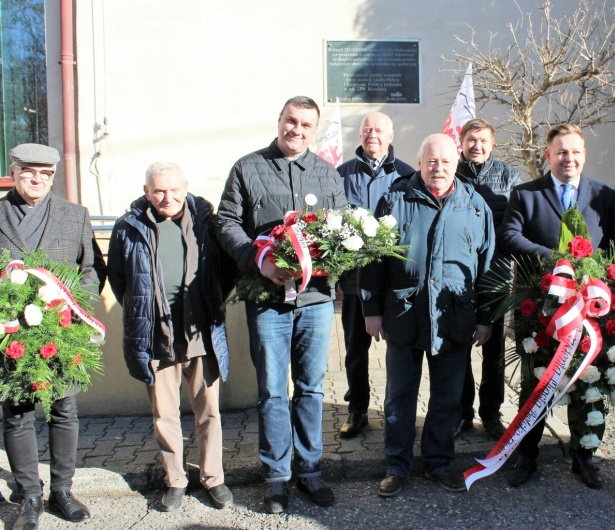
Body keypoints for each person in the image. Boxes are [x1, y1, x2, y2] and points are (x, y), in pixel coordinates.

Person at [216, 96, 347, 514]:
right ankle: (276, 477)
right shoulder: (247, 168)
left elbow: (341, 229)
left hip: (315, 300)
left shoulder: (327, 174)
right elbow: (226, 222)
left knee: (310, 388)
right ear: (279, 121)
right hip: (267, 299)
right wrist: (260, 259)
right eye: (292, 121)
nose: (297, 130)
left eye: (307, 125)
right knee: (273, 391)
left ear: (314, 129)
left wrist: (331, 263)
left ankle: (309, 471)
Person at [360, 133, 495, 498]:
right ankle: (397, 465)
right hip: (404, 316)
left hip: (454, 317)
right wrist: (371, 310)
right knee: (399, 397)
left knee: (447, 398)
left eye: (446, 162)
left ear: (457, 164)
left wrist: (485, 317)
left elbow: (488, 267)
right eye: (431, 161)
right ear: (419, 163)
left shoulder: (475, 206)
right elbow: (372, 260)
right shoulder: (394, 199)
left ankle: (438, 463)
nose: (438, 168)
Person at [498, 123, 615, 489]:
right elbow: (509, 236)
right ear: (548, 155)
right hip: (539, 311)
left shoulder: (603, 195)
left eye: (575, 151)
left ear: (584, 155)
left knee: (588, 378)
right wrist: (556, 260)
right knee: (536, 383)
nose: (568, 158)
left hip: (589, 312)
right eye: (560, 151)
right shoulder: (525, 194)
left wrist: (594, 272)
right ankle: (527, 456)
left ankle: (584, 455)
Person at [107, 162, 234, 512]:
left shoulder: (206, 223)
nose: (167, 197)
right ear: (147, 192)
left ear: (185, 187)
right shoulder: (127, 227)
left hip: (201, 335)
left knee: (208, 412)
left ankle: (213, 478)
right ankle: (175, 480)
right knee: (165, 415)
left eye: (174, 189)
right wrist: (144, 313)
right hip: (156, 338)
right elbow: (120, 282)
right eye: (159, 190)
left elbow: (227, 273)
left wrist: (210, 304)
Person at [0, 143, 106, 529]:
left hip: (62, 334)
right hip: (12, 336)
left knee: (64, 411)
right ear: (13, 171)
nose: (38, 179)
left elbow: (92, 269)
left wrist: (76, 307)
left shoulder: (73, 215)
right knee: (16, 414)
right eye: (29, 171)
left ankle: (62, 489)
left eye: (46, 173)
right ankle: (29, 496)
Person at [336, 112, 414, 439]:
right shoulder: (339, 176)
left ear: (391, 134)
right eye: (367, 129)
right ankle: (357, 411)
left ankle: (397, 411)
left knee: (400, 350)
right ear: (359, 134)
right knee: (355, 350)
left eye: (379, 130)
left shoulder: (408, 175)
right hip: (356, 282)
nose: (372, 135)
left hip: (394, 282)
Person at [453, 118, 522, 440]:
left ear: (492, 144)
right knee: (459, 348)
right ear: (462, 143)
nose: (476, 146)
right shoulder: (451, 175)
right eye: (470, 140)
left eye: (482, 140)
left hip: (496, 274)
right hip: (460, 276)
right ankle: (462, 413)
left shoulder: (510, 178)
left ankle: (491, 413)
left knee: (493, 349)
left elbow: (517, 227)